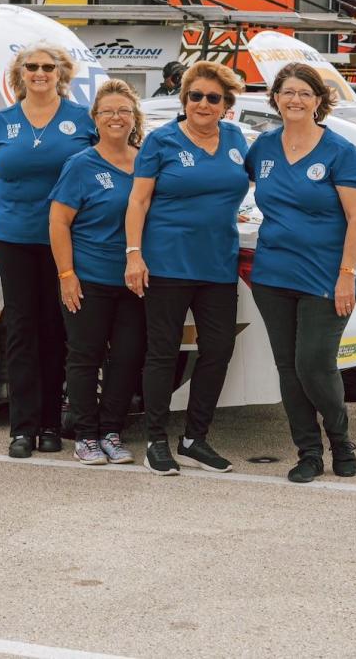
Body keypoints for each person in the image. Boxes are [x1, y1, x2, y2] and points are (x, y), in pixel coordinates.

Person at [245, 63, 356, 483]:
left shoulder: (340, 151)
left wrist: (347, 274)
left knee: (314, 363)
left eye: (303, 93)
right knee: (288, 367)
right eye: (286, 92)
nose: (294, 99)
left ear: (319, 100)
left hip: (326, 276)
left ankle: (341, 441)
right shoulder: (262, 147)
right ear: (275, 98)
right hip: (272, 275)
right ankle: (309, 453)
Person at [125, 61, 249, 476]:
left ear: (226, 105)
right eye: (195, 96)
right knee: (162, 354)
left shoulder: (235, 139)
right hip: (167, 264)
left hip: (218, 265)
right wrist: (134, 253)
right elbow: (138, 201)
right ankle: (156, 441)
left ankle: (196, 438)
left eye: (213, 98)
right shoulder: (160, 142)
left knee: (218, 351)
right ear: (184, 99)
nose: (203, 103)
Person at [0, 42, 98, 459]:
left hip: (70, 244)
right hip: (15, 240)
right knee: (22, 332)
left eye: (48, 67)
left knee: (59, 330)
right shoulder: (1, 123)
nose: (40, 73)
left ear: (61, 73)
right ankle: (23, 427)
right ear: (20, 73)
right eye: (32, 66)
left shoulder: (83, 120)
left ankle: (51, 422)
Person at [49, 79, 147, 466]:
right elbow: (58, 222)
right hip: (89, 278)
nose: (116, 117)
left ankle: (111, 431)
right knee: (85, 358)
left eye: (124, 110)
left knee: (127, 357)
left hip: (135, 280)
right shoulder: (80, 165)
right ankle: (86, 435)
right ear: (95, 119)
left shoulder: (146, 162)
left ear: (134, 117)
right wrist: (66, 275)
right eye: (107, 111)